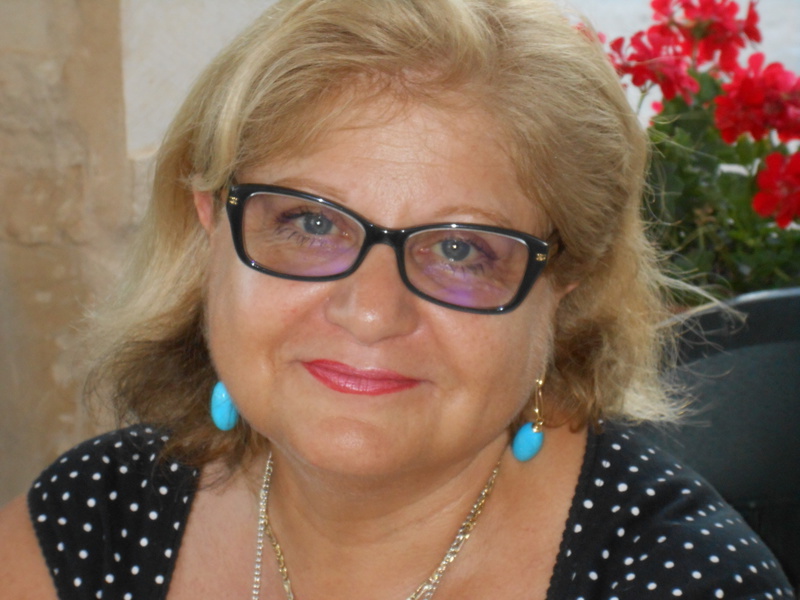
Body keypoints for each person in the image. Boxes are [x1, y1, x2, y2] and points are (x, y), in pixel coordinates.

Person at [0, 0, 794, 598]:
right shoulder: (91, 522)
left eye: (461, 249)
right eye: (311, 223)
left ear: (564, 282)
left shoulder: (683, 578)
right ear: (210, 226)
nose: (372, 312)